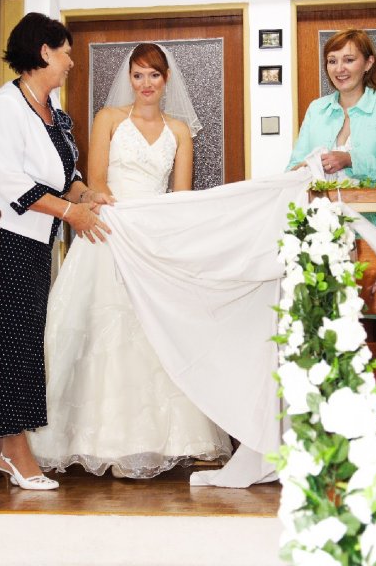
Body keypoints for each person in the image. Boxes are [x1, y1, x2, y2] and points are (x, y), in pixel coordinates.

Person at [29, 43, 232, 478]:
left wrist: (168, 240)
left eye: (153, 75)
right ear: (130, 79)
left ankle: (167, 440)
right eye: (138, 75)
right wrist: (119, 217)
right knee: (102, 331)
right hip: (110, 232)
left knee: (157, 334)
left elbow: (180, 197)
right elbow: (97, 182)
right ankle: (95, 441)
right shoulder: (108, 119)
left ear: (166, 80)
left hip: (154, 239)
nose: (145, 83)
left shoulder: (179, 130)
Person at [0, 12, 112, 490]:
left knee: (27, 343)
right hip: (9, 239)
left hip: (39, 242)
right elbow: (11, 180)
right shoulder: (6, 105)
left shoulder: (54, 112)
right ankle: (13, 450)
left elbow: (67, 175)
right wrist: (69, 212)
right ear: (44, 51)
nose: (71, 62)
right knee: (14, 345)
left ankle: (12, 447)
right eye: (65, 53)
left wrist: (86, 196)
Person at [287, 28, 376, 233]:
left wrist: (351, 160)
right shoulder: (316, 109)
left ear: (368, 63)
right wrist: (306, 167)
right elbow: (292, 169)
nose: (339, 69)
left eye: (349, 60)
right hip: (323, 231)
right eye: (332, 61)